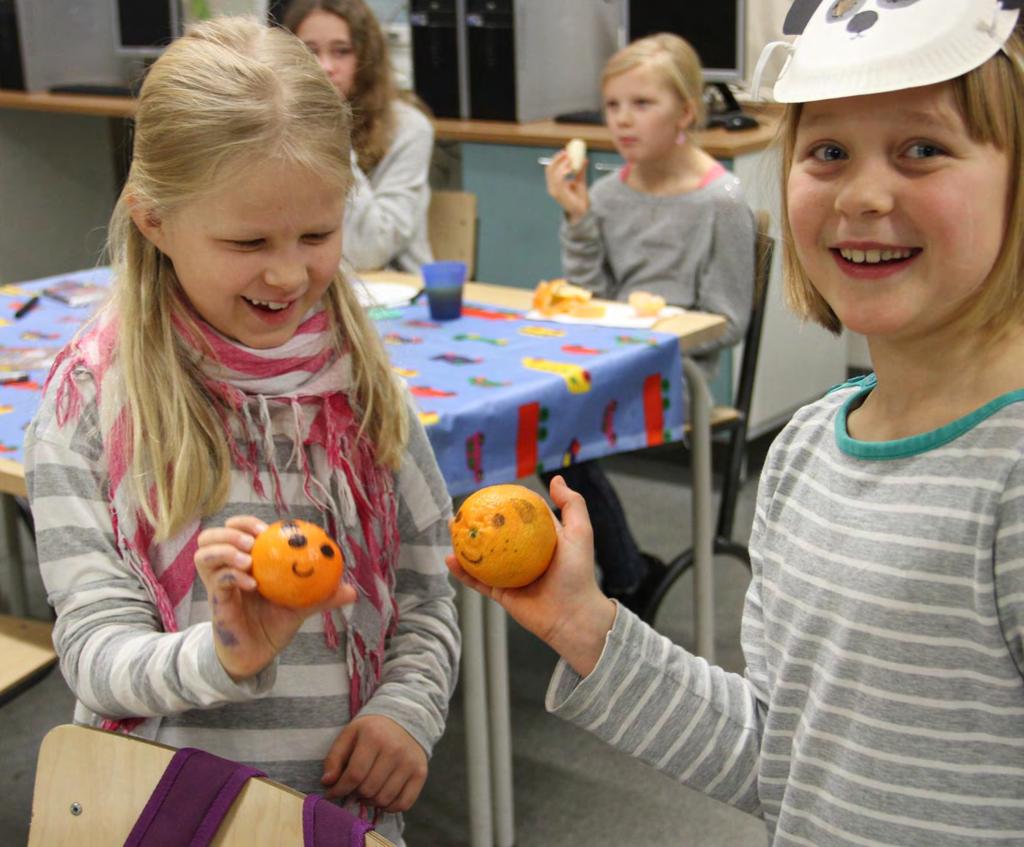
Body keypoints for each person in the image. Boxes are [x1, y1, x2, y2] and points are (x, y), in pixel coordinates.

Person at [451, 2, 1024, 843]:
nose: (863, 195)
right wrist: (584, 623)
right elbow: (784, 753)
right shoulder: (800, 456)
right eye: (828, 151)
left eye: (923, 149)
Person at [25, 18, 459, 846]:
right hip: (160, 807)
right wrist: (222, 654)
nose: (290, 273)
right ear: (153, 220)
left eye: (318, 235)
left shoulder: (363, 387)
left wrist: (406, 709)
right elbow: (94, 651)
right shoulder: (96, 399)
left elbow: (425, 596)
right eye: (248, 241)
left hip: (340, 815)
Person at [541, 32, 756, 614]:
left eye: (642, 104)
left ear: (686, 111)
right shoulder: (609, 194)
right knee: (536, 416)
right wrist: (579, 217)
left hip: (679, 376)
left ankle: (624, 571)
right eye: (613, 106)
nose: (622, 121)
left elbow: (730, 320)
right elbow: (587, 297)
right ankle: (628, 569)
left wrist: (659, 327)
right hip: (611, 362)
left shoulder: (723, 201)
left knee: (554, 428)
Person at [283, 0, 434, 273]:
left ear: (365, 58)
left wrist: (330, 136)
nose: (325, 66)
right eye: (309, 51)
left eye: (341, 52)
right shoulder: (276, 126)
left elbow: (370, 250)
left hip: (397, 293)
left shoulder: (409, 128)